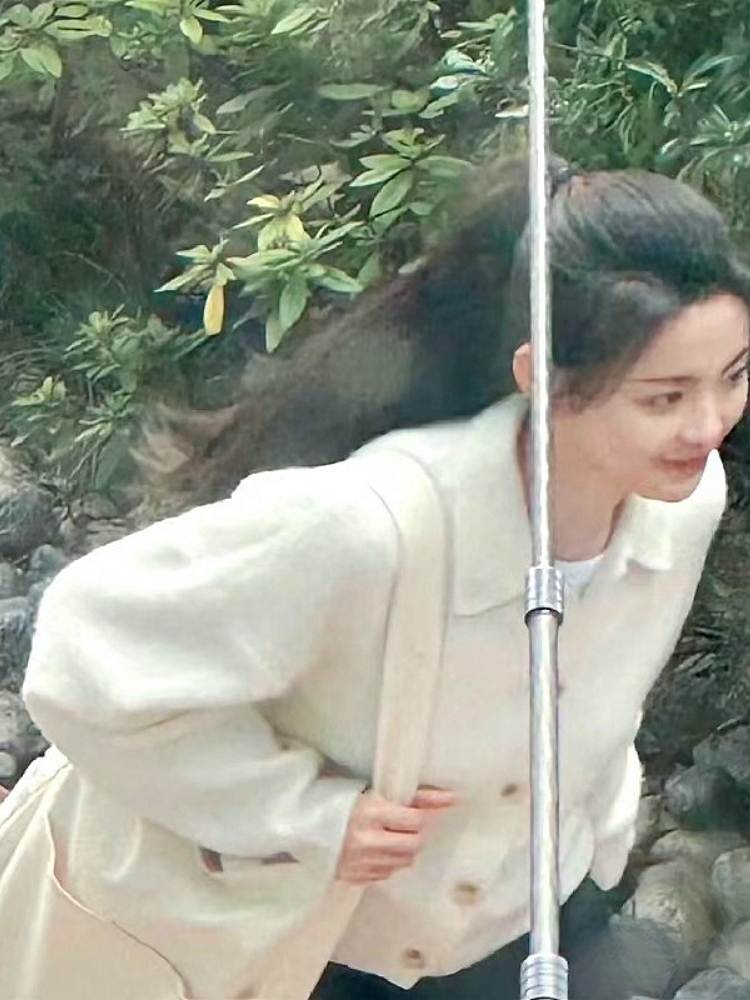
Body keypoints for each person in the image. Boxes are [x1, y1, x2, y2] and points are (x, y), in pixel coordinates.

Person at [0, 157, 748, 1000]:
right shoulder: (368, 527)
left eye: (734, 376)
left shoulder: (687, 502)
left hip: (530, 914)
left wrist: (600, 834)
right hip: (322, 948)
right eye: (664, 398)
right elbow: (82, 648)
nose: (709, 425)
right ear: (542, 379)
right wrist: (304, 813)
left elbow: (607, 679)